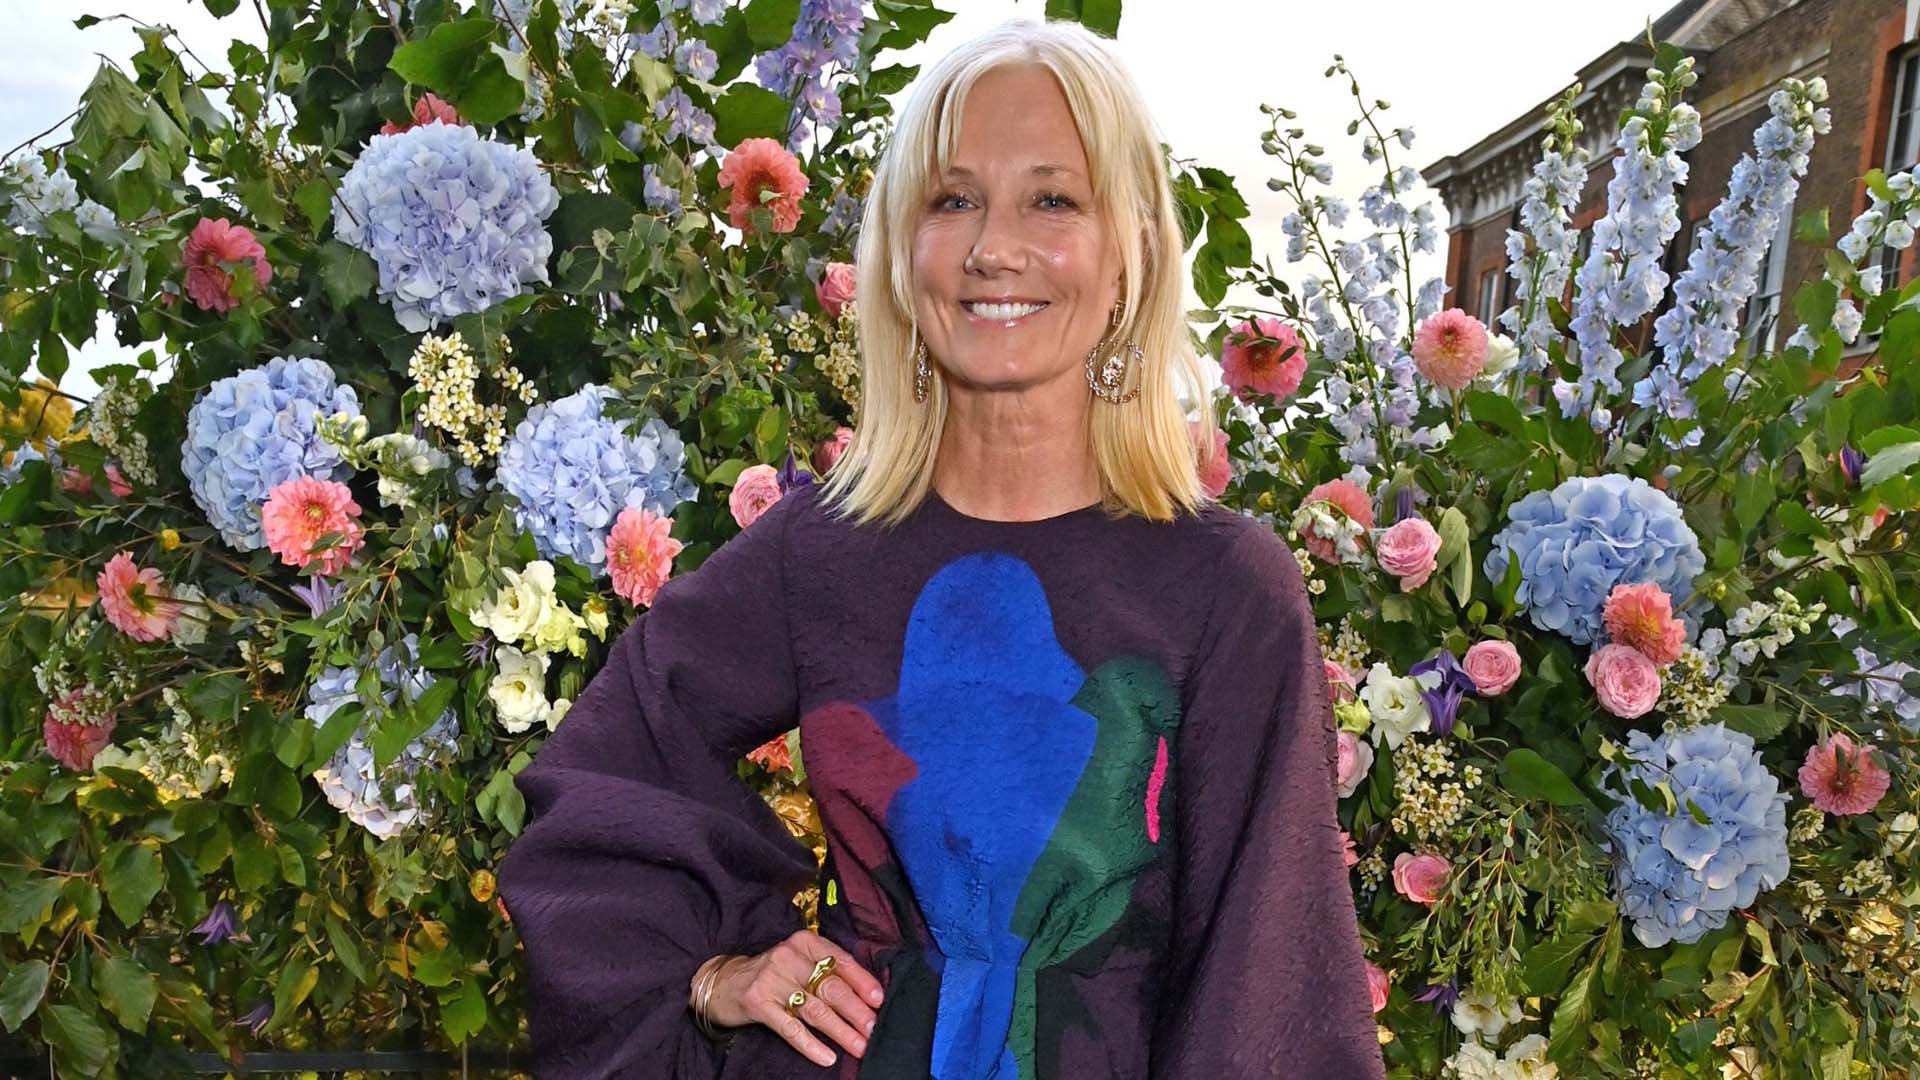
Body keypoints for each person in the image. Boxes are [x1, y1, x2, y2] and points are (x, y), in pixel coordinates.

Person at [498, 17, 1385, 1079]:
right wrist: (714, 973)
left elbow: (1269, 982)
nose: (992, 248)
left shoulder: (1227, 587)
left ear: (1131, 253)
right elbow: (606, 778)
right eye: (952, 200)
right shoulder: (817, 552)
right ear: (902, 248)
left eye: (1052, 201)